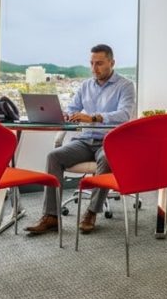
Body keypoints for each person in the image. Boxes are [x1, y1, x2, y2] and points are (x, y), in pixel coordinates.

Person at [25, 44, 135, 235]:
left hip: (109, 142)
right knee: (54, 157)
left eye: (99, 63)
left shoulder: (125, 86)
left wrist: (94, 117)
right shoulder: (85, 85)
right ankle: (51, 216)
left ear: (112, 62)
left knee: (107, 158)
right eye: (92, 63)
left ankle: (91, 212)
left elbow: (124, 114)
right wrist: (69, 115)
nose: (94, 68)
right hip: (85, 140)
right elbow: (72, 108)